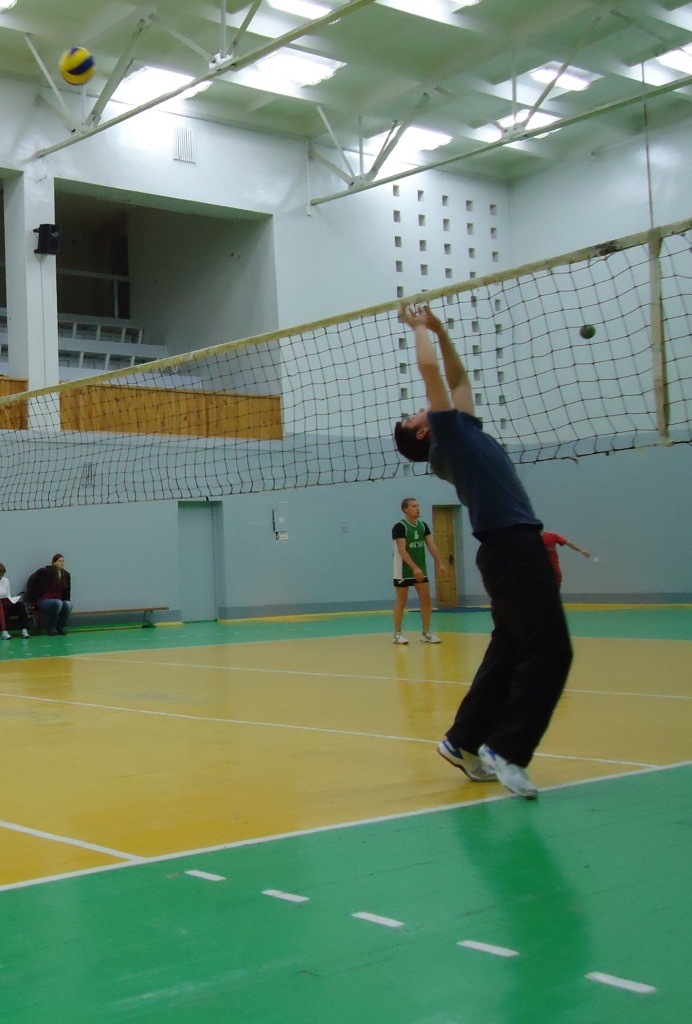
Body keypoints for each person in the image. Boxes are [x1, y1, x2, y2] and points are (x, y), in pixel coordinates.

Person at [395, 303, 573, 799]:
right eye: (416, 413)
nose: (423, 406)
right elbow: (431, 372)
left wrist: (442, 331)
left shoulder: (464, 430)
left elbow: (456, 377)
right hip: (511, 549)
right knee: (552, 651)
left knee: (511, 648)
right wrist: (419, 328)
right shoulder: (448, 439)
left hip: (511, 547)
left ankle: (464, 740)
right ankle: (507, 750)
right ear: (424, 431)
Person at [392, 497, 447, 645]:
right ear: (405, 509)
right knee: (402, 601)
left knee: (427, 600)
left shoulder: (423, 525)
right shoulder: (400, 527)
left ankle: (426, 633)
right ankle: (397, 634)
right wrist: (414, 567)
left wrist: (440, 563)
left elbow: (431, 545)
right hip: (403, 570)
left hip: (420, 570)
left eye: (418, 506)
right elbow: (402, 550)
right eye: (414, 506)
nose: (418, 508)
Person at [26, 553, 73, 636]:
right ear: (54, 563)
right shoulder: (45, 572)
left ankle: (61, 627)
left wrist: (66, 601)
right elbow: (32, 580)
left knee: (68, 605)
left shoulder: (66, 575)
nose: (62, 563)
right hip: (44, 600)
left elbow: (67, 591)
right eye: (59, 561)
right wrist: (32, 600)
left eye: (63, 561)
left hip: (59, 601)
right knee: (58, 603)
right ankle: (51, 627)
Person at [0, 564, 31, 639]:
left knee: (20, 605)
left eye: (2, 574)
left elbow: (8, 595)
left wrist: (10, 601)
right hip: (1, 606)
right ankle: (4, 631)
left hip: (5, 603)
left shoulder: (6, 580)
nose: (1, 576)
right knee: (2, 608)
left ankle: (24, 630)